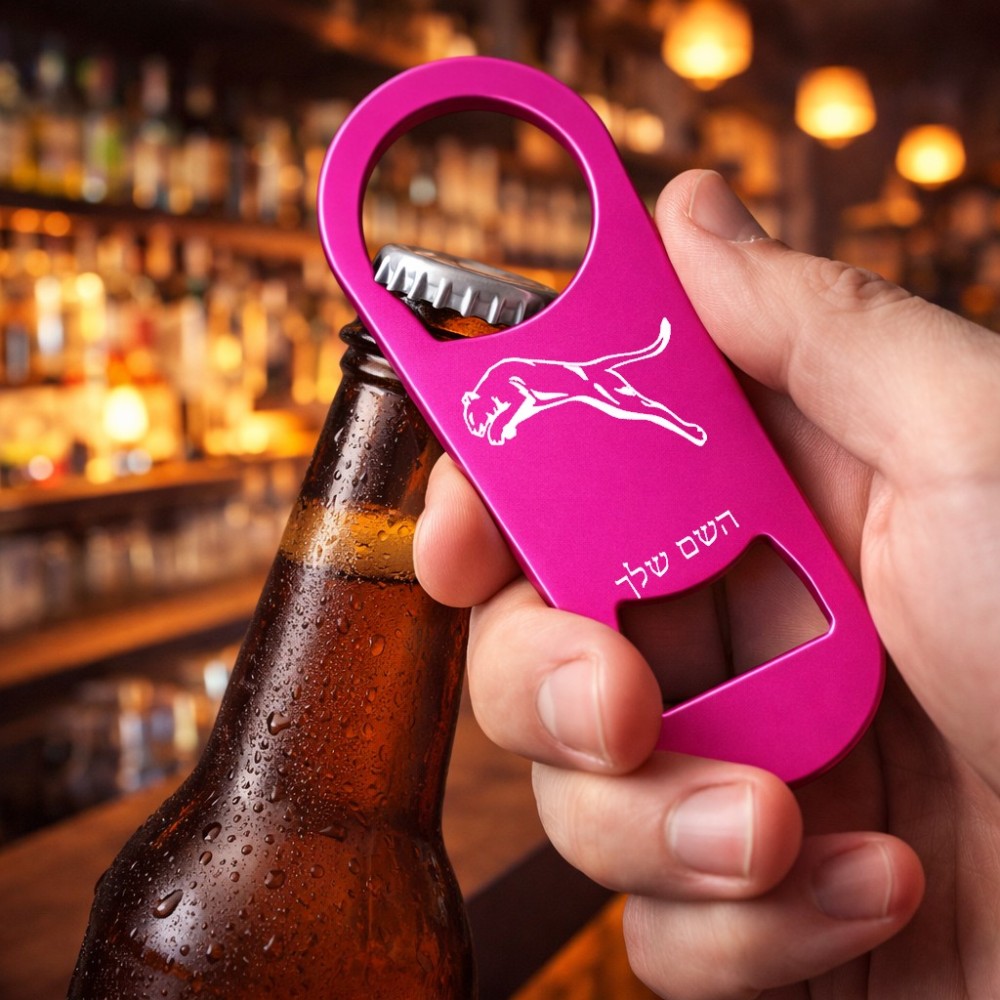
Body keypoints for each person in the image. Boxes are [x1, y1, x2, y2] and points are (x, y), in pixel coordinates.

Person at [412, 169, 1000, 999]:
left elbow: (518, 407)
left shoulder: (509, 385)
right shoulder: (494, 394)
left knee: (627, 414)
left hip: (893, 711)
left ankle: (682, 425)